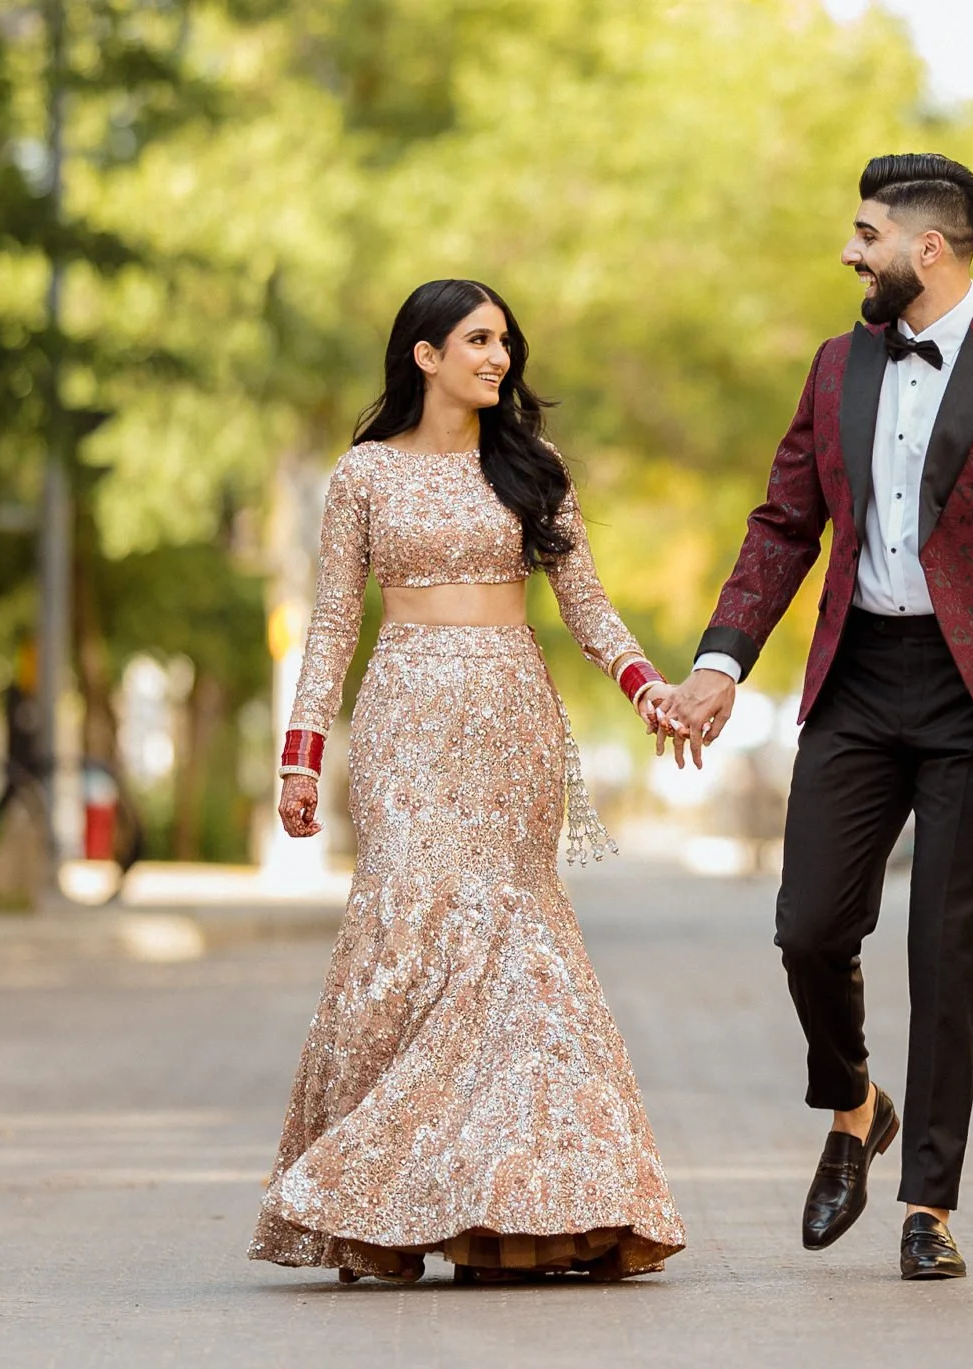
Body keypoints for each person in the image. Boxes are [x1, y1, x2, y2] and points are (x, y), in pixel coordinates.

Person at [659, 153, 973, 1280]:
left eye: (864, 234)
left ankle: (929, 1207)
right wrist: (722, 660)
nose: (848, 252)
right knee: (809, 924)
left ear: (927, 250)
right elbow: (782, 526)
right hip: (858, 677)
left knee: (946, 953)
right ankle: (856, 1101)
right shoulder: (833, 367)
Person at [249, 279, 685, 1286]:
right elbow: (331, 626)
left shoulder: (531, 469)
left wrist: (647, 688)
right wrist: (301, 752)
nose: (498, 358)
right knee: (412, 934)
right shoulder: (362, 475)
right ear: (424, 354)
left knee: (511, 944)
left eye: (504, 343)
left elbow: (586, 608)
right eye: (477, 340)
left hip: (510, 721)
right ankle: (382, 1209)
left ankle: (519, 1217)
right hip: (405, 720)